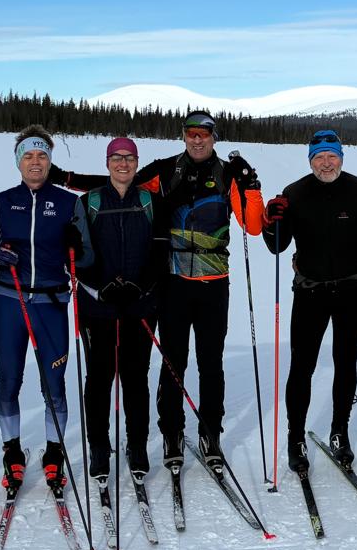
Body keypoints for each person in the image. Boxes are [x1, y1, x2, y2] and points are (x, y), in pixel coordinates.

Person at [51, 111, 264, 469]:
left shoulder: (227, 174)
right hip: (173, 281)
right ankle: (171, 431)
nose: (198, 140)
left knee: (211, 361)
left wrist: (251, 187)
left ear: (214, 137)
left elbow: (253, 226)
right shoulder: (166, 170)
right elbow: (119, 184)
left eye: (204, 134)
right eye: (191, 134)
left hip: (214, 282)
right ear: (183, 136)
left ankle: (210, 431)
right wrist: (67, 179)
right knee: (173, 361)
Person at [262, 130, 357, 473]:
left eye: (331, 156)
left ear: (341, 157)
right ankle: (295, 437)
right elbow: (276, 245)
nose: (326, 163)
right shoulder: (295, 192)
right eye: (319, 157)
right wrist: (269, 220)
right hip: (310, 290)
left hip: (353, 288)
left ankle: (339, 431)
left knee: (345, 361)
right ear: (310, 160)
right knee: (302, 365)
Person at [0, 126, 87, 493]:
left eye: (42, 155)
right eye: (28, 155)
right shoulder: (0, 202)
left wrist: (75, 247)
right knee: (8, 379)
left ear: (50, 160)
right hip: (10, 301)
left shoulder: (69, 203)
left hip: (51, 302)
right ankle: (12, 450)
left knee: (54, 384)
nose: (35, 161)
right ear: (18, 161)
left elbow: (87, 254)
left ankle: (54, 451)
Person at [72, 137, 166, 483]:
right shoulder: (89, 201)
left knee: (135, 376)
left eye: (129, 158)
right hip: (99, 305)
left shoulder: (150, 201)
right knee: (98, 378)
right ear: (107, 162)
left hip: (140, 303)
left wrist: (140, 285)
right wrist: (100, 284)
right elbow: (79, 255)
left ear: (137, 163)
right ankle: (99, 446)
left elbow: (160, 251)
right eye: (116, 158)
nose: (123, 164)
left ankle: (137, 445)